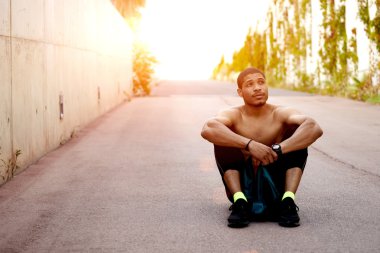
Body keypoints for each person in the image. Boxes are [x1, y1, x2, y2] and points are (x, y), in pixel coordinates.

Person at [201, 67, 323, 228]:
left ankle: (287, 201)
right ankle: (240, 203)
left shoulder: (280, 113)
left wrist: (278, 149)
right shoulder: (233, 114)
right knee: (223, 135)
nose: (257, 88)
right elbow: (208, 128)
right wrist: (249, 145)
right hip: (244, 186)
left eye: (261, 82)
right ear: (240, 92)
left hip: (276, 185)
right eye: (250, 84)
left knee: (297, 132)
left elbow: (313, 127)